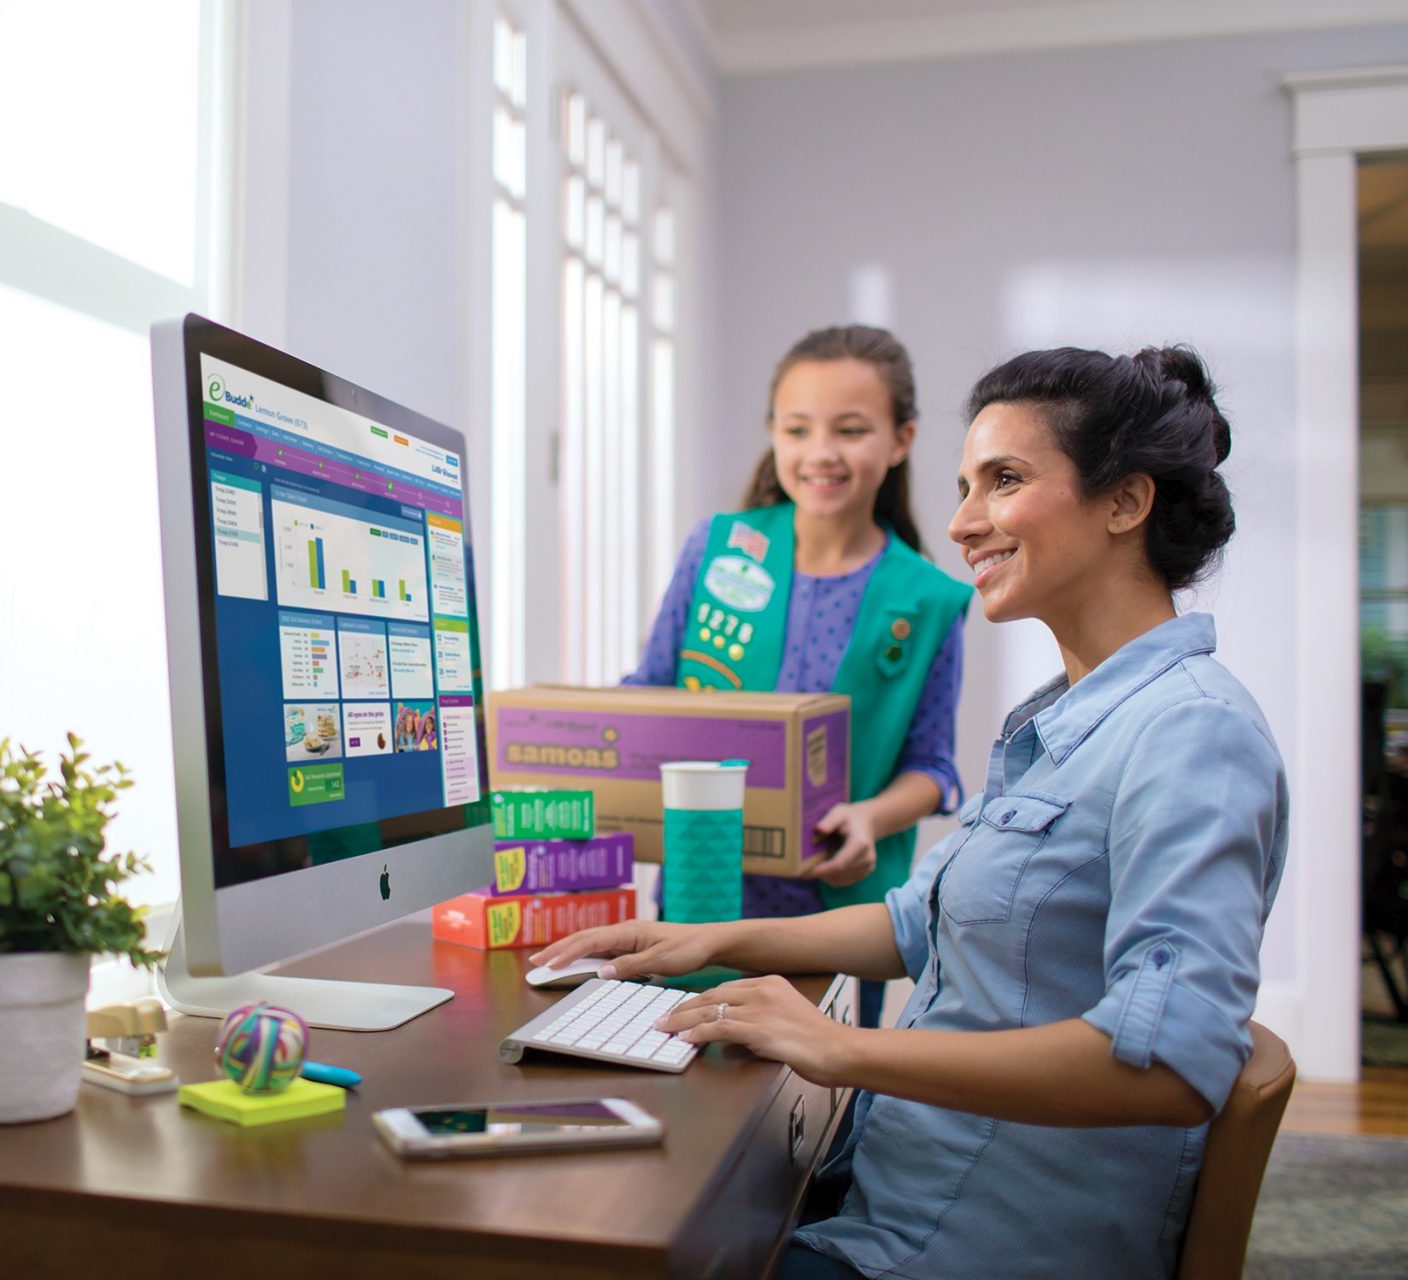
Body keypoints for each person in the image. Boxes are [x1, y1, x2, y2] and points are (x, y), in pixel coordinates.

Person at [537, 345, 1288, 1279]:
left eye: (1003, 482)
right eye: (967, 486)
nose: (964, 522)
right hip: (895, 1189)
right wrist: (700, 936)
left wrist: (836, 1047)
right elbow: (917, 922)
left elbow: (1174, 1065)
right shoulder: (1062, 722)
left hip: (966, 1243)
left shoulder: (1192, 737)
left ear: (1125, 504)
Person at [624, 325, 971, 1026]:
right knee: (688, 1075)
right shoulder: (717, 549)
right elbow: (648, 693)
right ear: (773, 434)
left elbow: (933, 768)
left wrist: (870, 818)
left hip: (839, 918)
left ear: (901, 439)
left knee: (812, 1108)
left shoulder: (929, 599)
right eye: (797, 428)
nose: (821, 453)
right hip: (700, 890)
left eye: (850, 430)